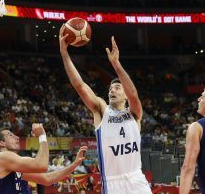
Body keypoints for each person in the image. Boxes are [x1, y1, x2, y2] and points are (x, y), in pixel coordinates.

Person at [59, 25, 151, 194]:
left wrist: (116, 64)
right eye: (110, 88)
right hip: (112, 183)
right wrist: (64, 54)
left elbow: (133, 94)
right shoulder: (101, 110)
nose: (112, 90)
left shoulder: (134, 114)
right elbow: (80, 86)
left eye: (117, 87)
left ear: (124, 94)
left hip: (136, 179)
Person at [0, 123, 88, 194]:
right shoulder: (2, 157)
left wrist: (74, 165)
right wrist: (42, 136)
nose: (16, 137)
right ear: (1, 143)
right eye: (10, 135)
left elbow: (47, 179)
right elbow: (41, 165)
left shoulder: (13, 167)